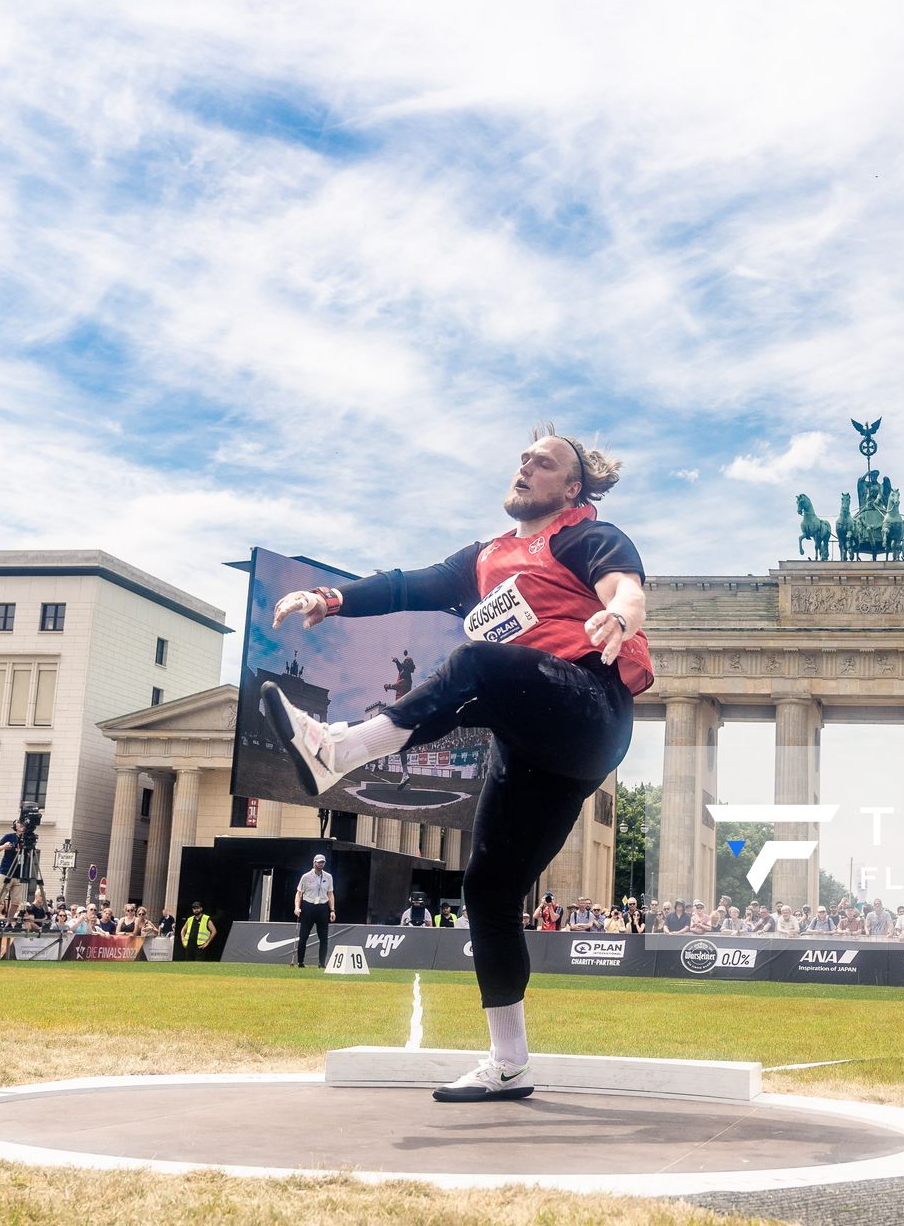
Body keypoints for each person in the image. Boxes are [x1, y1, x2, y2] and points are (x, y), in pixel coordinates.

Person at [262, 426, 648, 1104]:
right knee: (489, 891)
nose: (526, 465)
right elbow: (406, 584)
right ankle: (509, 1063)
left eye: (545, 462)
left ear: (571, 487)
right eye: (524, 456)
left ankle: (340, 750)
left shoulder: (591, 536)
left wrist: (618, 614)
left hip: (589, 709)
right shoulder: (487, 557)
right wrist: (330, 598)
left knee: (471, 663)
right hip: (529, 743)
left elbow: (627, 589)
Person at [294, 854, 336, 967]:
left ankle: (322, 963)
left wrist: (332, 910)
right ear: (314, 863)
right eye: (318, 862)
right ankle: (300, 962)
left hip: (322, 907)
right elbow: (299, 893)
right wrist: (297, 907)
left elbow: (330, 894)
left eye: (322, 862)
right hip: (309, 906)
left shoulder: (328, 877)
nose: (320, 864)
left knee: (323, 937)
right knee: (303, 936)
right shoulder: (306, 876)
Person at [0, 822, 24, 911]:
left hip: (19, 874)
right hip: (5, 871)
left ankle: (10, 922)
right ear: (16, 826)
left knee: (16, 901)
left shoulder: (27, 839)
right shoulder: (9, 836)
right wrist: (4, 846)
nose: (22, 825)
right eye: (20, 823)